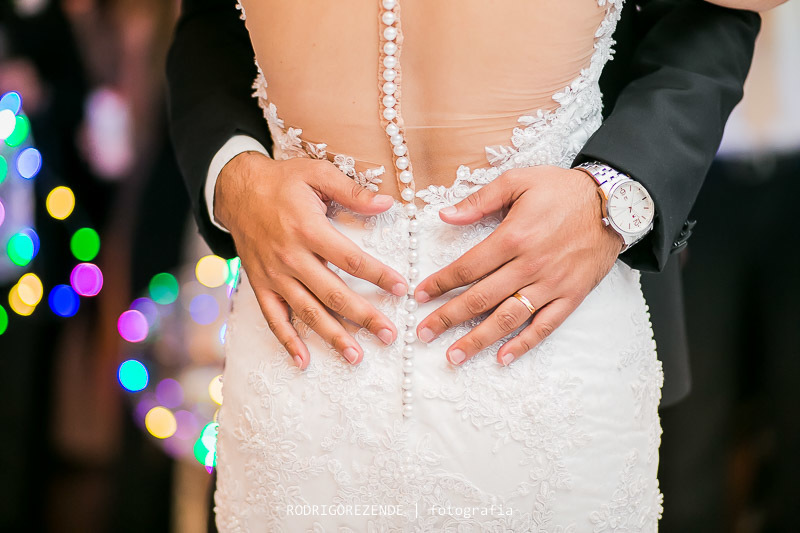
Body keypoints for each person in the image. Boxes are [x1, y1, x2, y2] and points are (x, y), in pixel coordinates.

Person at [166, 0, 761, 529]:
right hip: (301, 346)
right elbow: (211, 21)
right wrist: (233, 177)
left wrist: (612, 193)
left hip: (552, 326)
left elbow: (706, 17)